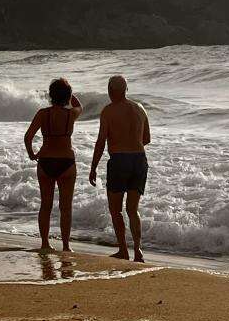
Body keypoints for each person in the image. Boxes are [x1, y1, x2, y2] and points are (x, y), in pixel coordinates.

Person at [89, 75, 151, 262]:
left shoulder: (108, 111)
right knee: (133, 209)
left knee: (116, 210)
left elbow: (101, 142)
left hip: (119, 161)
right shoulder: (140, 109)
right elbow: (146, 139)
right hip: (139, 160)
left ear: (110, 91)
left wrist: (93, 168)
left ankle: (123, 249)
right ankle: (138, 251)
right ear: (126, 89)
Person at [24, 78, 83, 252]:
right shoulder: (71, 114)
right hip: (66, 162)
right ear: (68, 95)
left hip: (46, 161)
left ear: (50, 95)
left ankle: (45, 244)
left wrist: (32, 154)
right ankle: (66, 246)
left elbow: (28, 137)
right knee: (66, 207)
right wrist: (71, 95)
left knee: (46, 205)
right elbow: (80, 106)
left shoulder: (43, 114)